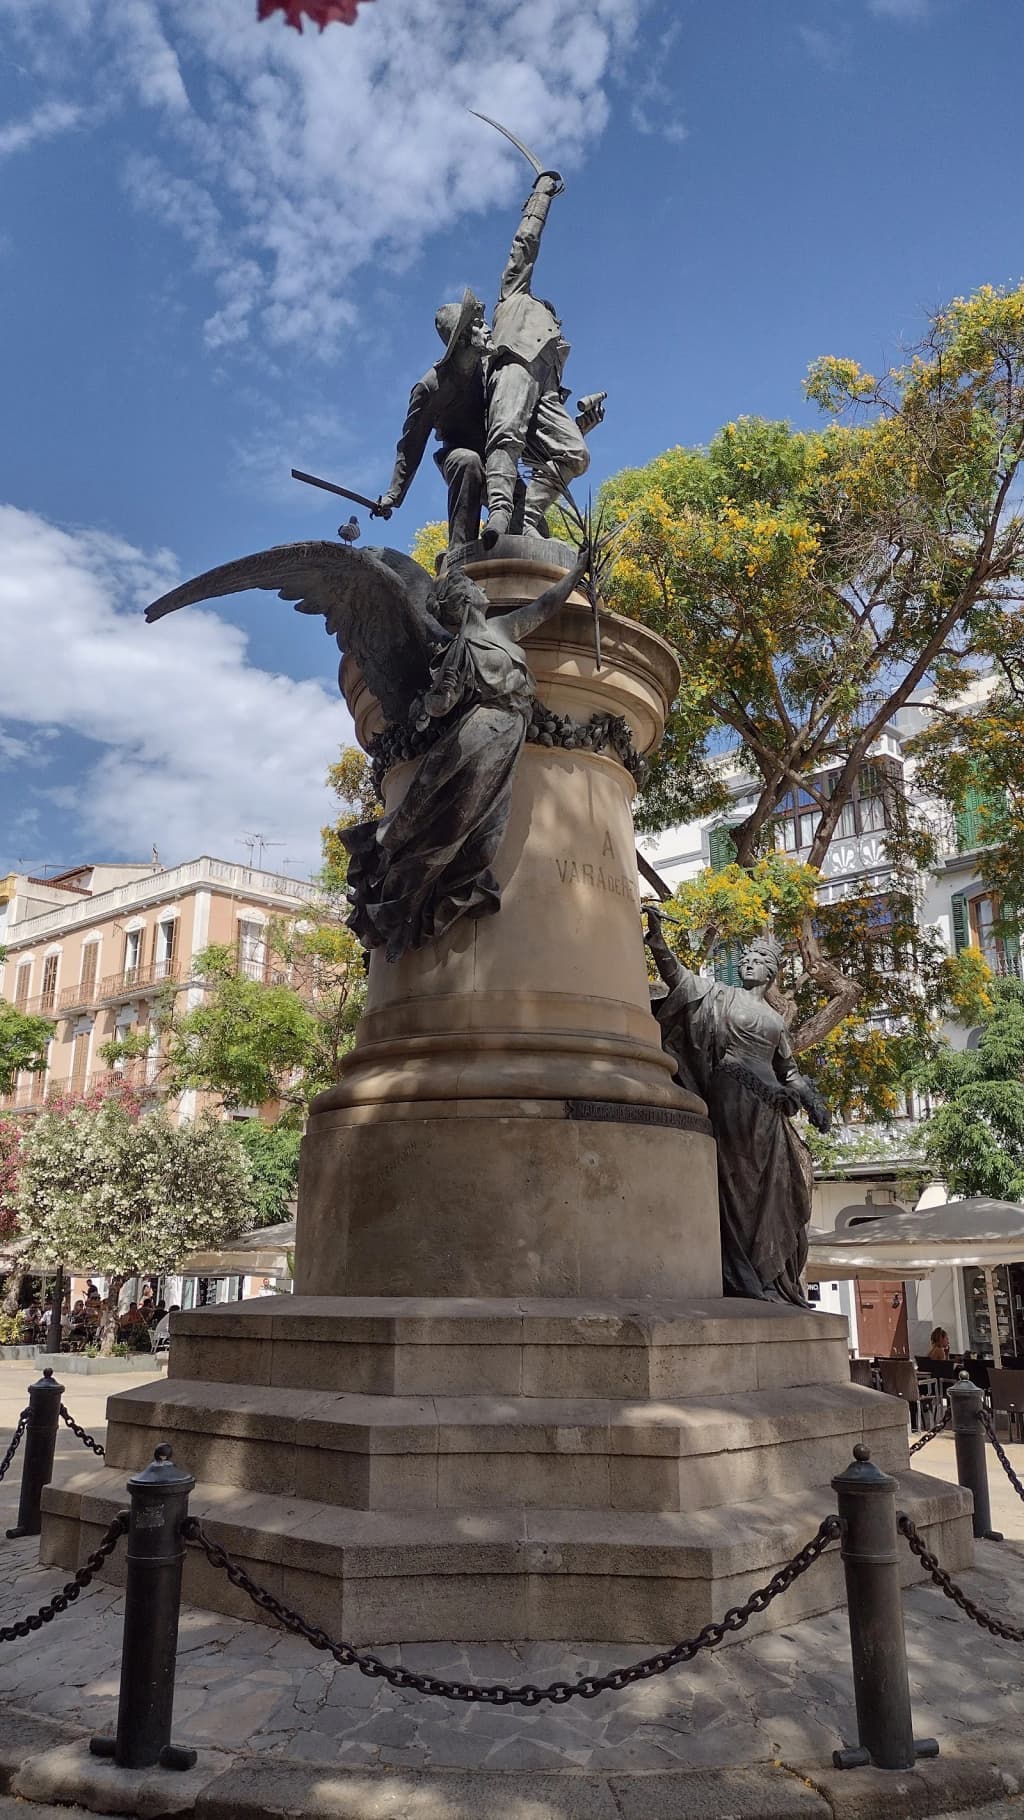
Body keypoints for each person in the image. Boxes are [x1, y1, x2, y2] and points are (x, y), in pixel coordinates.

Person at [644, 907, 831, 1305]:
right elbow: (678, 978)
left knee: (782, 1187)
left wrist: (813, 1100)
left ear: (772, 973)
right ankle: (742, 1272)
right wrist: (658, 941)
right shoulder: (719, 997)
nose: (749, 963)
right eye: (746, 959)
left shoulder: (776, 1022)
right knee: (735, 1182)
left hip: (770, 1111)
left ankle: (767, 1275)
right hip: (731, 1096)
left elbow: (790, 1071)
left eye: (759, 960)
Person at [482, 171, 591, 546]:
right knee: (505, 436)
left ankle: (527, 517)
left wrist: (582, 424)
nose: (553, 319)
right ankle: (498, 510)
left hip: (545, 386)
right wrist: (541, 198)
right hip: (514, 365)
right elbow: (524, 243)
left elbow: (545, 447)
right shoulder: (514, 296)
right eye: (549, 314)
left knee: (576, 454)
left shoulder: (556, 351)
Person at [376, 289, 490, 549]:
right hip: (457, 453)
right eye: (478, 324)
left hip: (494, 456)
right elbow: (412, 443)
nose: (487, 328)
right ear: (461, 338)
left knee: (524, 507)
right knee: (467, 463)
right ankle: (461, 553)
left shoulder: (489, 368)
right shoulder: (430, 387)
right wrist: (394, 495)